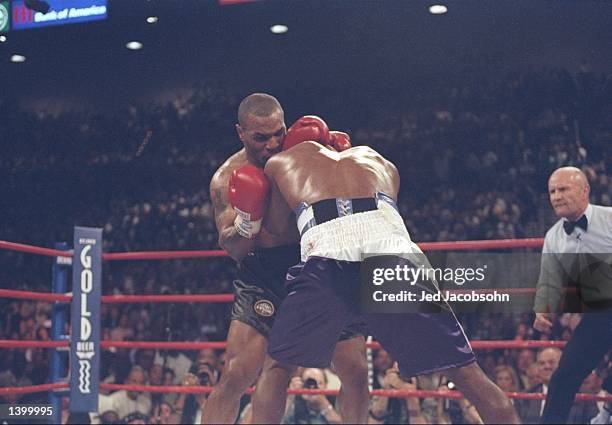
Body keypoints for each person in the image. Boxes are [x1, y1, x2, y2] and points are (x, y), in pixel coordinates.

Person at [251, 123, 520, 424]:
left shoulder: (281, 162)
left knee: (277, 368)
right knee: (468, 374)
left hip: (328, 253)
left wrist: (244, 221)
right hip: (394, 256)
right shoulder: (383, 163)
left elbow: (274, 234)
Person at [207, 94, 369, 423]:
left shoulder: (305, 153)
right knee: (238, 373)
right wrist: (247, 222)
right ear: (240, 132)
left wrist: (340, 158)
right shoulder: (227, 179)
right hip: (265, 273)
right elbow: (234, 248)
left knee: (355, 371)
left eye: (278, 133)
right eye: (260, 137)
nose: (272, 144)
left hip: (321, 262)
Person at [532, 166, 612, 424]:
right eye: (552, 191)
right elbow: (549, 279)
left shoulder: (609, 219)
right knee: (563, 377)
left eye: (563, 189)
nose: (556, 196)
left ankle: (607, 409)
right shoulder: (554, 236)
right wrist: (542, 310)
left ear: (584, 190)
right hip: (598, 315)